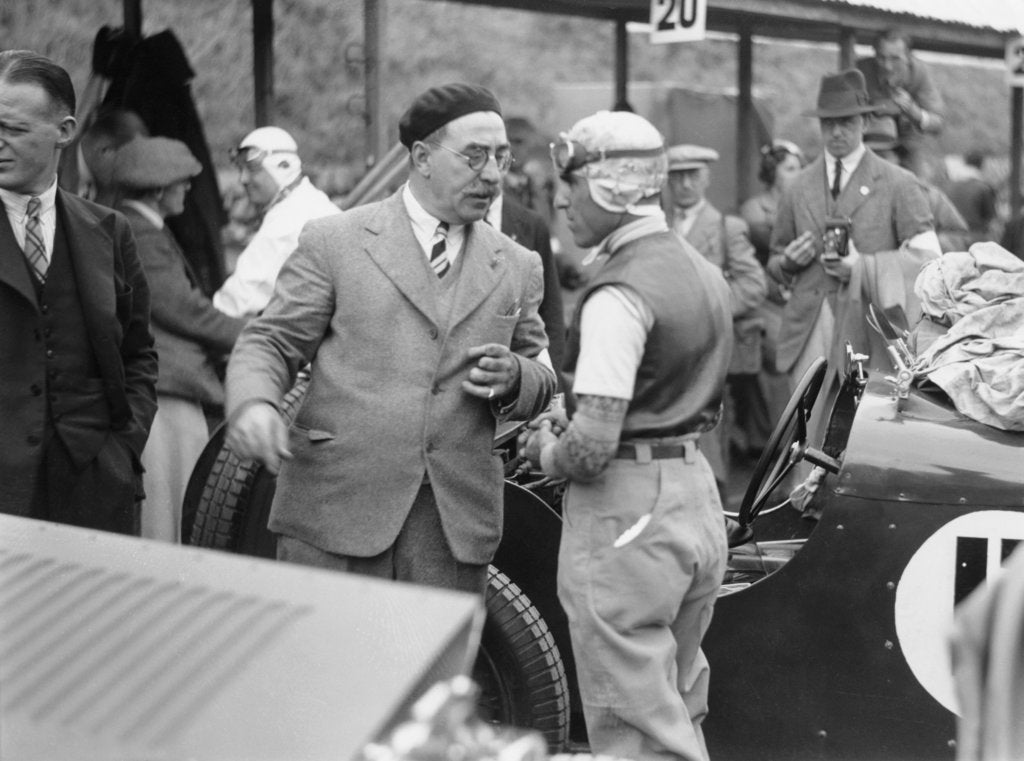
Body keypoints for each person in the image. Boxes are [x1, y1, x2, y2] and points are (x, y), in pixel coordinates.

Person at [224, 83, 556, 596]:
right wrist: (253, 404)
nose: (492, 174)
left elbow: (542, 373)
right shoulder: (336, 241)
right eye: (474, 156)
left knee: (434, 675)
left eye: (501, 156)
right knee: (330, 671)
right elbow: (270, 341)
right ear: (421, 157)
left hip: (450, 532)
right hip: (336, 517)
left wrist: (518, 377)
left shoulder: (517, 263)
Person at [520, 110, 732, 761]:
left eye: (574, 180)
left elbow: (590, 449)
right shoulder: (703, 272)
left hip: (628, 513)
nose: (560, 197)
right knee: (675, 698)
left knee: (635, 728)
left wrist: (544, 447)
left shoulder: (617, 294)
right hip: (694, 493)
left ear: (614, 186)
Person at [0, 50, 157, 533]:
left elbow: (139, 353)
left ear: (65, 131)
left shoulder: (109, 230)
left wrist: (121, 447)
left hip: (94, 490)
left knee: (96, 612)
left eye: (15, 130)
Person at [112, 136, 247, 542]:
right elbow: (185, 311)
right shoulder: (140, 234)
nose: (188, 189)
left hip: (162, 384)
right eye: (181, 182)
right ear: (157, 191)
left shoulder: (138, 227)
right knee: (170, 505)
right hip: (165, 390)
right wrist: (254, 333)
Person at [769, 68, 939, 388]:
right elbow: (775, 261)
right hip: (807, 330)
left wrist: (864, 267)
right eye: (828, 123)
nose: (836, 132)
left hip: (870, 331)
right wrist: (787, 263)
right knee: (805, 424)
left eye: (846, 122)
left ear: (866, 122)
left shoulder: (899, 183)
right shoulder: (797, 187)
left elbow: (929, 262)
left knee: (857, 429)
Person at [666, 143, 766, 482]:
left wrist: (710, 311)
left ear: (706, 178)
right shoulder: (657, 225)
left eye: (692, 175)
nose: (684, 185)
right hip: (663, 349)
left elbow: (753, 285)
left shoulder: (726, 227)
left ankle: (716, 506)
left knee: (709, 438)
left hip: (709, 349)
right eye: (676, 176)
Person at [213, 127, 339, 319]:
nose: (243, 179)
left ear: (283, 167)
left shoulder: (290, 219)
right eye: (240, 169)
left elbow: (237, 300)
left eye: (253, 169)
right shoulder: (308, 201)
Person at [739, 139, 806, 450]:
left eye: (800, 168)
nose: (798, 174)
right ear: (772, 172)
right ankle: (781, 443)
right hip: (768, 298)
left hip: (799, 296)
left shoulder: (804, 203)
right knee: (780, 361)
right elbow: (761, 236)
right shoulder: (755, 209)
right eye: (790, 168)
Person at [486, 181, 566, 383]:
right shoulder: (453, 224)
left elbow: (550, 312)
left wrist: (553, 382)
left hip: (521, 381)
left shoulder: (531, 224)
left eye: (502, 156)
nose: (493, 167)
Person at [863, 115, 970, 253]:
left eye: (882, 156)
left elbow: (958, 236)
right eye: (870, 157)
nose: (876, 164)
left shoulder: (927, 196)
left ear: (898, 158)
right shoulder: (849, 196)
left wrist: (923, 246)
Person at [856, 28, 944, 178]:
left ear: (908, 57)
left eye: (895, 59)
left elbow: (938, 123)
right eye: (881, 57)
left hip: (910, 144)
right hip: (872, 142)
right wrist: (877, 109)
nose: (887, 66)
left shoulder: (920, 73)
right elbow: (841, 113)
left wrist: (915, 113)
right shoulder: (860, 71)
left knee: (919, 184)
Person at [77, 107, 148, 207]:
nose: (127, 177)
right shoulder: (53, 166)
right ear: (105, 149)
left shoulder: (103, 193)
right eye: (127, 165)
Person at [946, 150, 998, 246]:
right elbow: (990, 218)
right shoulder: (984, 188)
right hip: (975, 239)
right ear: (981, 165)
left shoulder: (949, 186)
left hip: (950, 239)